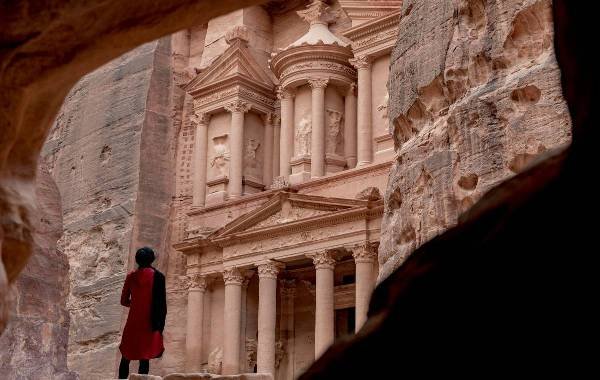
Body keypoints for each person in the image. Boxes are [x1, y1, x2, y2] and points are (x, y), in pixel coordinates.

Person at [118, 247, 167, 379]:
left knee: (126, 354)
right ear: (152, 259)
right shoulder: (159, 277)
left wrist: (134, 304)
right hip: (149, 320)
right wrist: (159, 326)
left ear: (137, 260)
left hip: (133, 321)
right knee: (144, 356)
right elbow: (161, 304)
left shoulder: (131, 276)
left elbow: (123, 301)